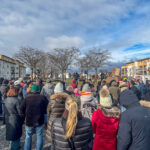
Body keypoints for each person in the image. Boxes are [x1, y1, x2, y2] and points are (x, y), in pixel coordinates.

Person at [20, 84, 48, 150]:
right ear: (39, 90)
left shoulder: (27, 98)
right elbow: (47, 107)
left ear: (32, 90)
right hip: (40, 120)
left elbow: (21, 108)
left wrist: (24, 116)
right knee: (39, 135)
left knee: (28, 136)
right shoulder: (42, 97)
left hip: (29, 119)